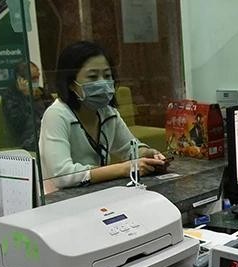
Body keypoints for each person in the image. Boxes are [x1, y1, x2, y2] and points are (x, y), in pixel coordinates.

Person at [39, 41, 165, 190]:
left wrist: (147, 154)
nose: (103, 83)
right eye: (92, 77)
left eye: (107, 75)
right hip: (61, 202)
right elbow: (62, 176)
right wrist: (123, 169)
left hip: (98, 194)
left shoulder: (107, 112)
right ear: (71, 84)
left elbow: (129, 148)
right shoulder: (56, 115)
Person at [2, 61, 52, 152]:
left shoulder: (42, 93)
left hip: (48, 132)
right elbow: (18, 124)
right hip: (29, 138)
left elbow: (53, 112)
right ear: (21, 80)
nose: (36, 82)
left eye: (38, 77)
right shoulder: (10, 96)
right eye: (33, 79)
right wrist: (28, 96)